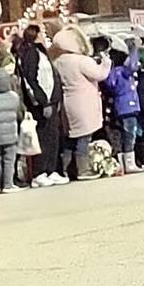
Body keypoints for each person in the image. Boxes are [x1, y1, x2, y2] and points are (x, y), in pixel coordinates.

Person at [51, 26, 112, 182]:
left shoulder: (58, 62)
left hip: (68, 101)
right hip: (84, 102)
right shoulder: (81, 61)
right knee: (84, 137)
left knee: (71, 137)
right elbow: (100, 74)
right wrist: (106, 63)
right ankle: (83, 169)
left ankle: (65, 170)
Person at [15, 24, 66, 188]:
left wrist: (56, 98)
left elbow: (52, 77)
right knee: (43, 137)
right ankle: (39, 172)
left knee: (53, 137)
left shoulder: (43, 53)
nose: (45, 36)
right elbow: (30, 79)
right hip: (41, 103)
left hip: (52, 100)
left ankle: (51, 170)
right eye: (42, 34)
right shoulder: (30, 53)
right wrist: (41, 100)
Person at [103, 38, 143, 175]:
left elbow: (110, 85)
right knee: (130, 135)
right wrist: (134, 50)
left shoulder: (112, 72)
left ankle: (121, 163)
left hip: (119, 107)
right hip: (129, 107)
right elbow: (132, 66)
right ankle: (130, 163)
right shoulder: (124, 72)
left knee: (120, 135)